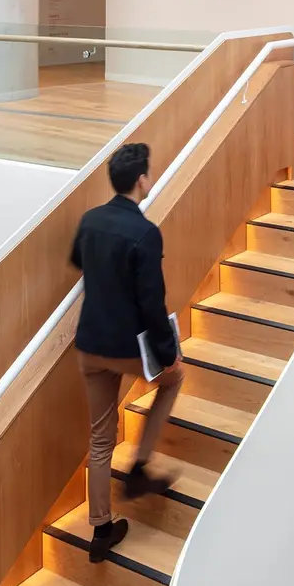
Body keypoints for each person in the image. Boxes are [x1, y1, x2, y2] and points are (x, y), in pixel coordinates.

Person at [70, 142, 185, 561]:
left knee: (100, 438)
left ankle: (101, 530)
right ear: (141, 180)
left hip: (88, 346)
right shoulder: (144, 232)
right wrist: (167, 350)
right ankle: (139, 466)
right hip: (126, 347)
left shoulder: (90, 221)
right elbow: (152, 302)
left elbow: (77, 260)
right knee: (175, 379)